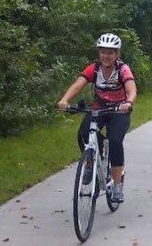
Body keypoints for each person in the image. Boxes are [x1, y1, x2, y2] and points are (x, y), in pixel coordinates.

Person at [57, 33, 136, 202]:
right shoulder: (94, 68)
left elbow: (131, 89)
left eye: (110, 53)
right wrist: (64, 100)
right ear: (99, 53)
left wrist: (128, 102)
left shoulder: (122, 69)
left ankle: (116, 185)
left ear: (117, 55)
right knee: (83, 134)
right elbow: (78, 84)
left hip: (118, 110)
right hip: (99, 108)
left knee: (114, 142)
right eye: (103, 52)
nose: (106, 56)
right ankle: (90, 163)